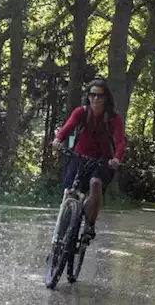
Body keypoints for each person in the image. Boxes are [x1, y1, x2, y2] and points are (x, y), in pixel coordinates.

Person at [50, 77, 125, 241]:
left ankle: (89, 225)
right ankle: (58, 238)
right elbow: (67, 127)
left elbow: (120, 141)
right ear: (88, 97)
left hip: (103, 161)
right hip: (79, 157)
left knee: (95, 184)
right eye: (92, 95)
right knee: (69, 192)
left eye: (99, 96)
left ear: (106, 98)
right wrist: (58, 141)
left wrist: (116, 159)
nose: (95, 99)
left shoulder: (113, 118)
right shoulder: (81, 112)